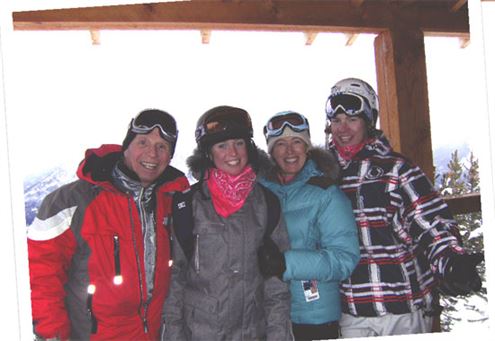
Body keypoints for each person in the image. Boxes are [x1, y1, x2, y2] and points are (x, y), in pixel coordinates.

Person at [324, 77, 484, 337]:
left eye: (352, 119)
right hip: (350, 310)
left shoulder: (397, 169)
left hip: (401, 308)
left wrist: (451, 261)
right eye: (336, 120)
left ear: (368, 121)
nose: (343, 128)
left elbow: (430, 222)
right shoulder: (322, 173)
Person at [27, 109, 189, 340]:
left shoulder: (175, 201)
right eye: (143, 142)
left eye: (162, 147)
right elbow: (40, 279)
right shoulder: (71, 202)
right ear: (126, 146)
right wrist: (52, 335)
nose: (152, 153)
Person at [162, 105, 292, 340]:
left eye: (239, 143)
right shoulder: (188, 205)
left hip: (252, 332)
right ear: (209, 153)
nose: (233, 153)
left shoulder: (267, 204)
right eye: (222, 146)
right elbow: (175, 281)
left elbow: (276, 286)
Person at [257, 110, 360, 340]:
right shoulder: (258, 192)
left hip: (314, 318)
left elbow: (344, 258)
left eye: (297, 142)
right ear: (271, 151)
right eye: (281, 144)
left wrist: (286, 263)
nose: (290, 151)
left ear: (307, 147)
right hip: (268, 315)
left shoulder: (326, 194)